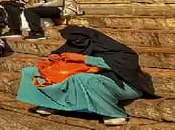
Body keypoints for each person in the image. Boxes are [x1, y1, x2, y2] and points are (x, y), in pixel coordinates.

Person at [17, 27, 155, 126]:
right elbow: (62, 56)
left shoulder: (121, 52)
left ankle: (114, 114)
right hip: (86, 81)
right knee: (30, 71)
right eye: (70, 42)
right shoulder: (72, 47)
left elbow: (121, 66)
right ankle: (50, 103)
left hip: (123, 85)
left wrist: (84, 58)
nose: (73, 45)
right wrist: (55, 57)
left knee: (82, 78)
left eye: (77, 41)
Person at [1, 0, 80, 40]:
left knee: (30, 11)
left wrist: (38, 5)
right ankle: (20, 31)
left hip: (61, 9)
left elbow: (57, 3)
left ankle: (37, 33)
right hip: (50, 8)